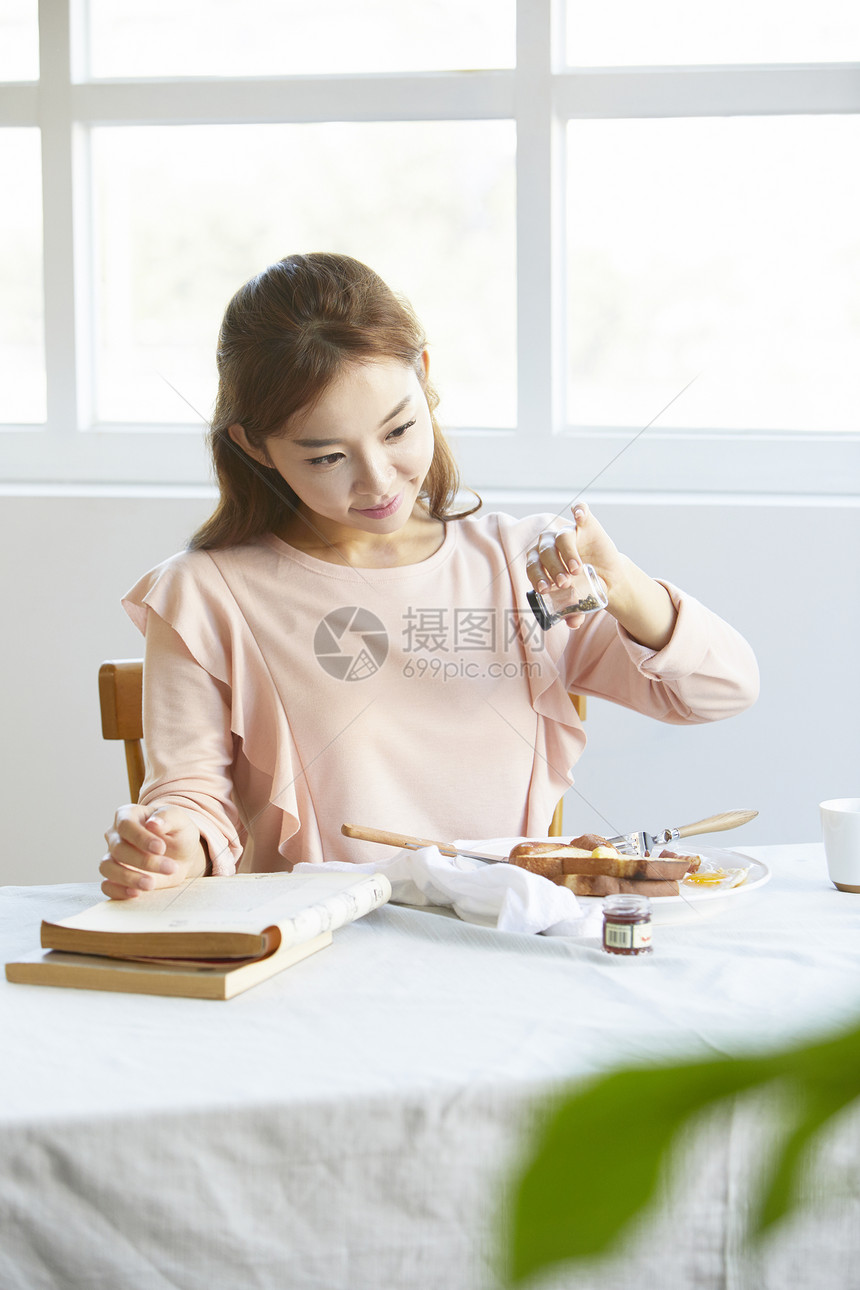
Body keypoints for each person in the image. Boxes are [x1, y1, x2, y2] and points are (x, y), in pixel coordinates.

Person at [100, 252, 759, 900]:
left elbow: (724, 690)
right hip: (324, 949)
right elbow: (190, 797)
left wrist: (625, 587)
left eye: (398, 430)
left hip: (505, 943)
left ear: (423, 373)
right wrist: (169, 846)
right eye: (328, 456)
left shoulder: (519, 562)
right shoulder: (204, 594)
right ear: (253, 446)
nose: (379, 480)